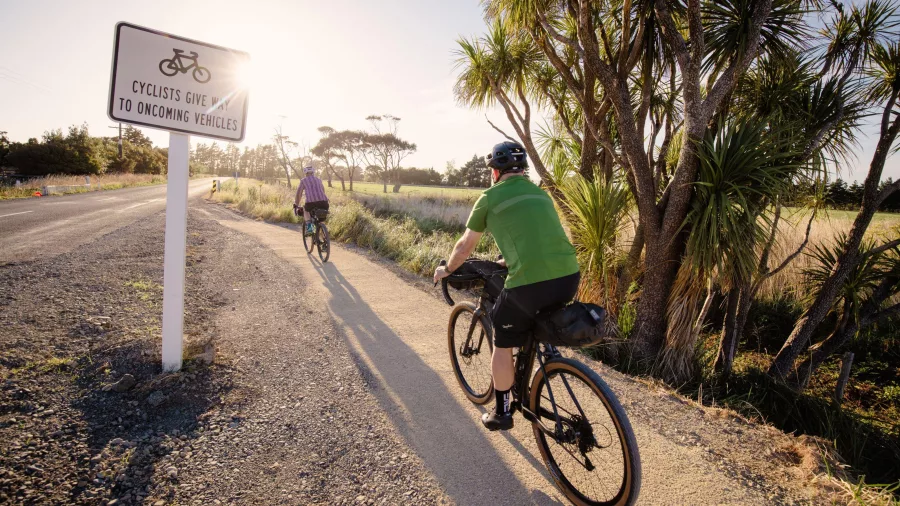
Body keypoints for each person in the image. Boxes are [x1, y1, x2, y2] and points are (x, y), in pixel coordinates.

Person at [433, 141, 580, 431]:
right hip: (569, 277)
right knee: (533, 318)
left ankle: (501, 413)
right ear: (523, 170)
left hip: (530, 283)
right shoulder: (540, 194)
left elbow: (464, 246)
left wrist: (446, 269)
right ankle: (546, 360)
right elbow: (539, 236)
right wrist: (511, 258)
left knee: (502, 336)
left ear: (495, 173)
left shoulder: (489, 197)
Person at [293, 166, 329, 235]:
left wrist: (296, 204)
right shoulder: (318, 180)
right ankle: (323, 233)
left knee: (305, 210)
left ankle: (311, 229)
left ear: (305, 173)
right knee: (320, 217)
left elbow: (299, 194)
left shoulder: (303, 181)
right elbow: (323, 191)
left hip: (311, 203)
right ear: (313, 172)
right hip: (324, 202)